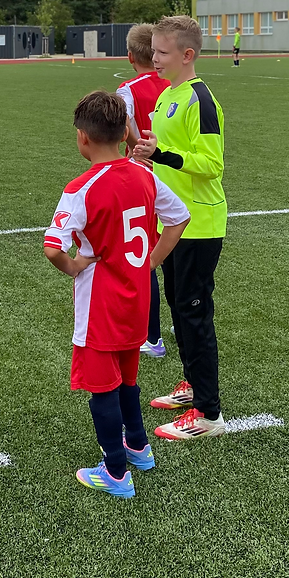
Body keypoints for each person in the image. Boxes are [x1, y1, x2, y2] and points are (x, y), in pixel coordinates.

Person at [44, 90, 189, 499]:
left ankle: (114, 470)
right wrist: (150, 264)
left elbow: (54, 246)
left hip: (100, 305)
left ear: (82, 138)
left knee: (102, 388)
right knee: (127, 378)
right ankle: (139, 446)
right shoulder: (145, 174)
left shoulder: (81, 187)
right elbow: (178, 218)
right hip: (137, 298)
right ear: (125, 130)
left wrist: (73, 266)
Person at [134, 15, 228, 439]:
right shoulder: (168, 95)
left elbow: (212, 165)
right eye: (153, 51)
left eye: (161, 52)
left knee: (194, 315)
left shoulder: (200, 100)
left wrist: (163, 155)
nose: (153, 58)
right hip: (173, 225)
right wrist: (149, 156)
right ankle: (192, 385)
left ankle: (209, 416)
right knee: (179, 308)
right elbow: (168, 155)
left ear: (187, 55)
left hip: (199, 225)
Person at [116, 23, 172, 360]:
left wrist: (143, 152)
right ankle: (182, 318)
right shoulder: (176, 84)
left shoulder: (128, 89)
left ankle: (152, 337)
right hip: (177, 174)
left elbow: (130, 134)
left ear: (130, 56)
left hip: (143, 176)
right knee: (173, 246)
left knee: (148, 255)